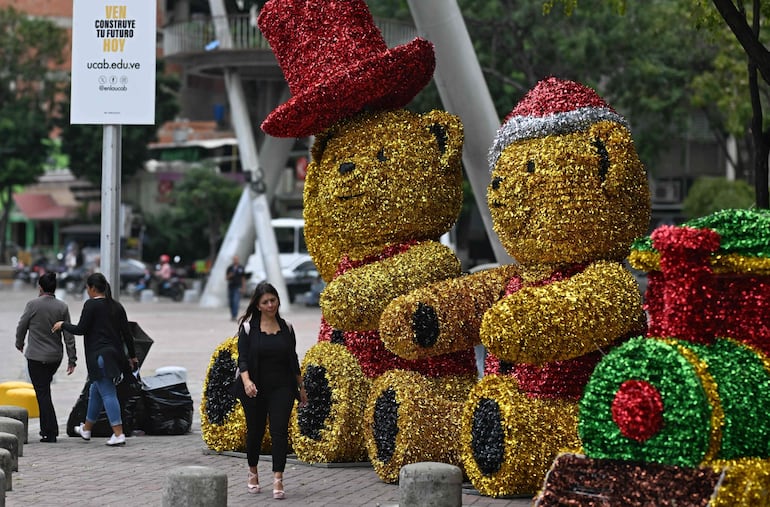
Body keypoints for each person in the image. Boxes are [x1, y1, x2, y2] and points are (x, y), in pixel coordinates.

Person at [236, 282, 307, 499]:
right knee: (255, 431)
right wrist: (247, 382)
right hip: (255, 388)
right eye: (265, 302)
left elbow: (293, 359)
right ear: (257, 305)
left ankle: (278, 478)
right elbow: (243, 359)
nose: (270, 305)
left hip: (282, 387)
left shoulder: (287, 327)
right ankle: (253, 472)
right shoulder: (248, 328)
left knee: (279, 432)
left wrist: (301, 387)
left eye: (273, 300)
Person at [52, 272, 138, 447]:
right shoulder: (116, 306)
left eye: (87, 288)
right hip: (114, 356)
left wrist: (63, 325)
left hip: (99, 357)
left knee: (107, 392)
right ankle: (87, 428)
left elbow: (81, 329)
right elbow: (127, 334)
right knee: (95, 391)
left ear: (92, 288)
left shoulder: (91, 305)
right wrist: (133, 356)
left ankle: (118, 433)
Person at [15, 272, 77, 443]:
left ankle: (50, 432)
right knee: (44, 390)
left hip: (35, 356)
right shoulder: (62, 307)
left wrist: (19, 343)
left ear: (40, 288)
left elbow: (22, 326)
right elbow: (68, 335)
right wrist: (72, 359)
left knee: (42, 393)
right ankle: (48, 430)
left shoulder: (32, 305)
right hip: (54, 357)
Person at [226, 255, 246, 321]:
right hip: (231, 286)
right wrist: (230, 275)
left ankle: (235, 315)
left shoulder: (241, 268)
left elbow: (243, 278)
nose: (235, 260)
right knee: (231, 301)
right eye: (234, 259)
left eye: (236, 259)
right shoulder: (230, 268)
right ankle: (232, 314)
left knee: (236, 301)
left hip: (238, 286)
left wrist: (243, 287)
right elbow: (226, 278)